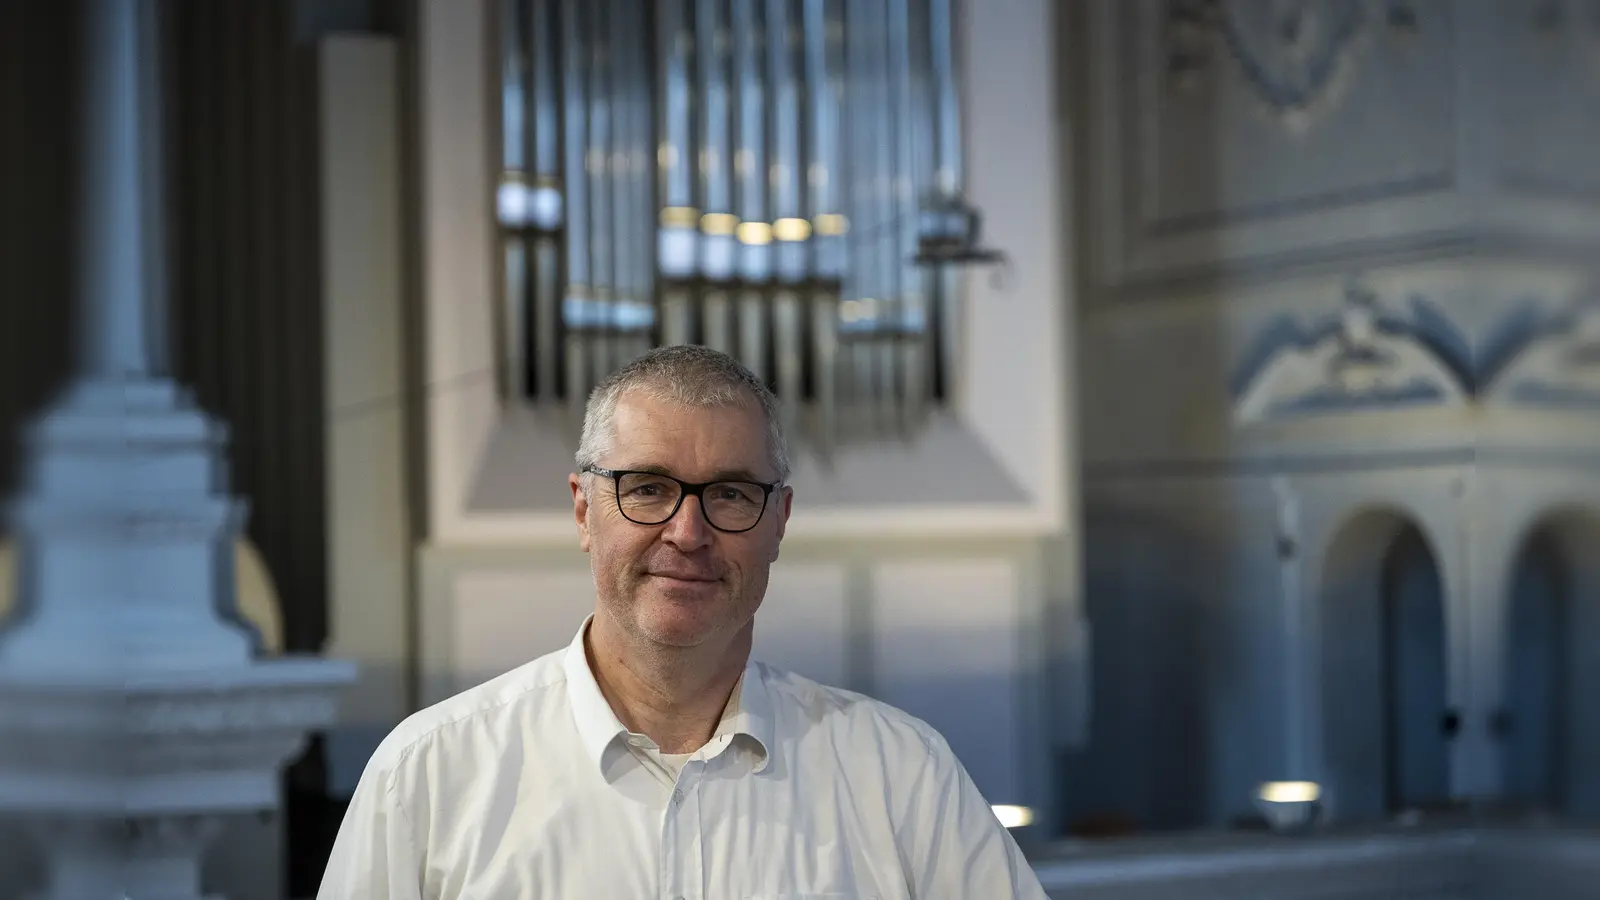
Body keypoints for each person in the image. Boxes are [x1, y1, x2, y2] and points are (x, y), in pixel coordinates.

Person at [318, 345, 1050, 899]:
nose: (688, 532)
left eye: (730, 494)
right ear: (583, 510)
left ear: (779, 521)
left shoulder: (903, 777)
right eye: (648, 488)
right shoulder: (427, 776)